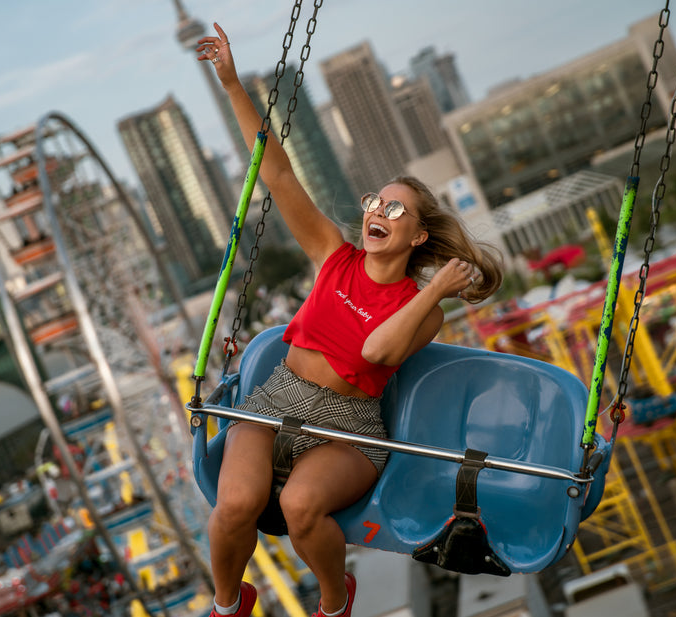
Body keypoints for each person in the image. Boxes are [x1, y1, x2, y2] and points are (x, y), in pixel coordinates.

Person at [196, 23, 503, 617]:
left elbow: (377, 354)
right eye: (373, 201)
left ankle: (335, 605)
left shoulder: (426, 311)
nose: (376, 212)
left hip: (349, 427)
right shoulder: (332, 255)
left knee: (301, 507)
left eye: (394, 208)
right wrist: (234, 85)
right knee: (234, 503)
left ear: (417, 234)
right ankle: (230, 605)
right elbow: (277, 174)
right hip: (278, 396)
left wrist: (433, 288)